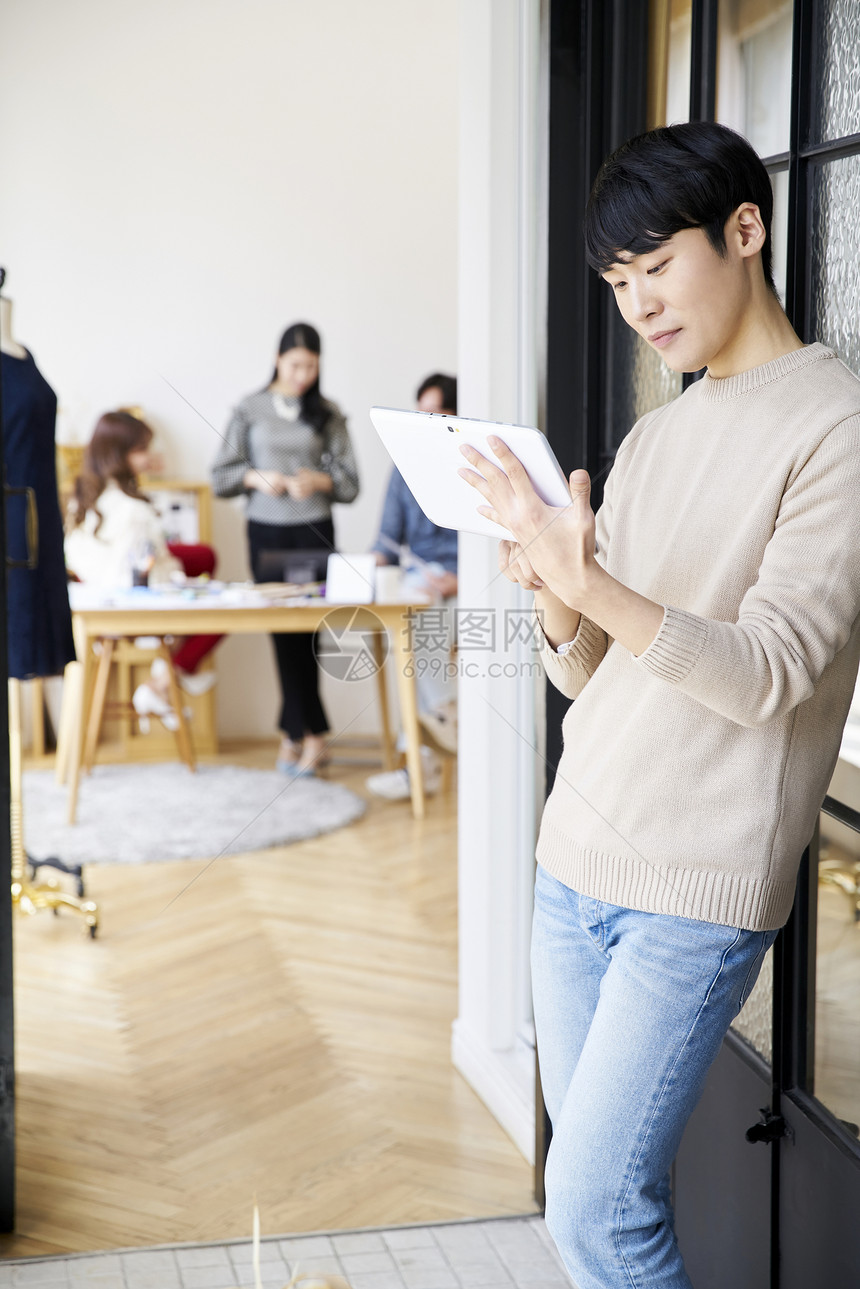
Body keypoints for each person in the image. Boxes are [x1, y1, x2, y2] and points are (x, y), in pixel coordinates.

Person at [458, 121, 860, 1289]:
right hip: (570, 857)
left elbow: (771, 668)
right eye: (617, 282)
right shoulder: (654, 433)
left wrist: (595, 586)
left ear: (745, 230)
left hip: (690, 889)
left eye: (654, 267)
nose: (637, 303)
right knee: (584, 1202)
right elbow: (590, 671)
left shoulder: (833, 424)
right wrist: (549, 595)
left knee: (595, 1216)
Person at [212, 321, 359, 776]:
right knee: (281, 631)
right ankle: (309, 734)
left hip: (313, 531)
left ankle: (298, 735)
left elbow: (351, 485)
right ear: (278, 359)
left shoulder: (328, 413)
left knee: (307, 631)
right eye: (296, 364)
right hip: (266, 532)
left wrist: (318, 480)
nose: (303, 375)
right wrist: (257, 478)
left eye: (311, 367)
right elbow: (221, 476)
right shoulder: (249, 409)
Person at [65, 410, 220, 730]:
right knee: (220, 608)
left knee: (203, 558)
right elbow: (136, 576)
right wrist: (177, 579)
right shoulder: (134, 511)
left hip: (92, 595)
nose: (148, 457)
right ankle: (166, 679)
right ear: (118, 454)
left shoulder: (83, 498)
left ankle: (166, 679)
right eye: (141, 450)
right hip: (130, 598)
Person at [366, 373, 459, 801]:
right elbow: (386, 540)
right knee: (404, 612)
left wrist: (461, 579)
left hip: (471, 580)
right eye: (421, 414)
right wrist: (364, 578)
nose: (427, 423)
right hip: (422, 579)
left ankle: (419, 761)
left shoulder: (478, 463)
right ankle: (444, 714)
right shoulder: (403, 466)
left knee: (421, 625)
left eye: (437, 414)